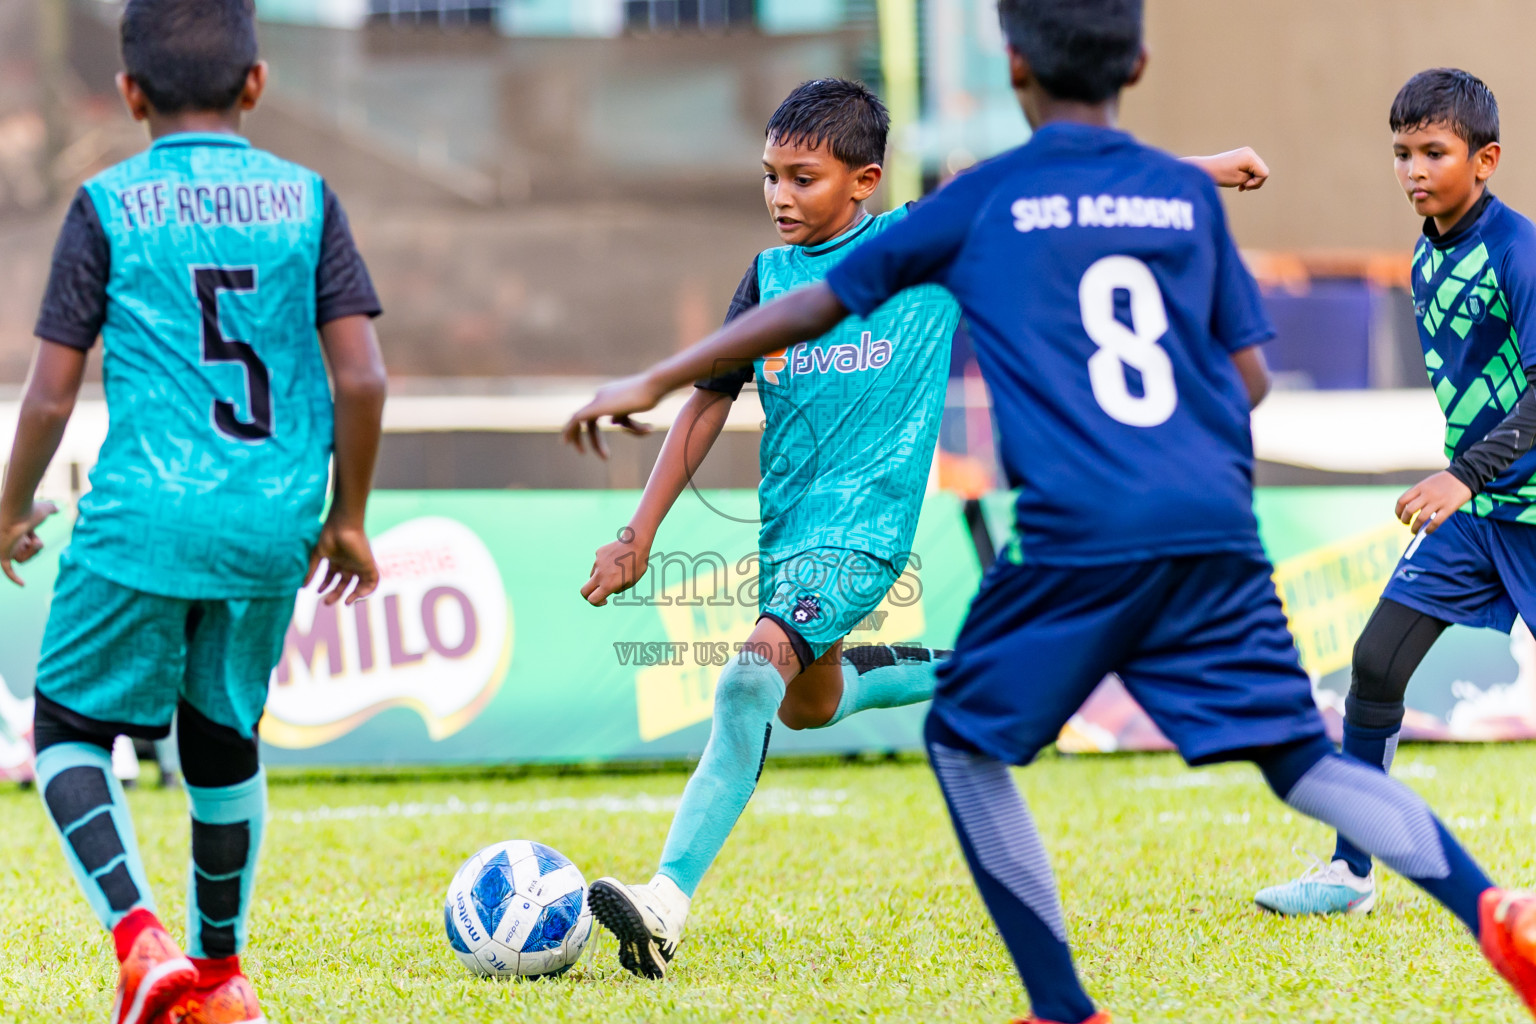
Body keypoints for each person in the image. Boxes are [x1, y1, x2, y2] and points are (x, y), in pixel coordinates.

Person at [561, 2, 1536, 1020]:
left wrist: (648, 377)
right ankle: (1497, 912)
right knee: (1295, 752)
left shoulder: (988, 199)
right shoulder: (1171, 199)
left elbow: (818, 301)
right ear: (1141, 61)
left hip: (1076, 529)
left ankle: (1059, 1006)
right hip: (1207, 523)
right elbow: (1248, 380)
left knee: (965, 744)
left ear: (1015, 66)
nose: (780, 195)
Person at [572, 76, 1270, 983]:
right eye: (770, 177)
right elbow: (708, 403)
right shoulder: (769, 275)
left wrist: (1205, 169)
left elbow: (1056, 197)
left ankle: (664, 904)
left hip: (868, 528)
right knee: (805, 703)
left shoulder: (923, 242)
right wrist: (640, 533)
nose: (781, 196)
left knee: (748, 681)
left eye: (804, 178)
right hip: (788, 529)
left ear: (864, 181)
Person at [0, 2, 387, 1022]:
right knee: (222, 738)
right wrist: (348, 515)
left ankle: (141, 943)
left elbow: (48, 394)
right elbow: (363, 379)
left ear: (130, 95)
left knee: (67, 732)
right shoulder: (309, 200)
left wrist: (5, 511)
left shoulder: (107, 204)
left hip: (144, 514)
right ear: (257, 83)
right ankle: (220, 978)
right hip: (274, 523)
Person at [1256, 70, 1536, 916]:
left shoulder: (1518, 251)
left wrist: (1466, 471)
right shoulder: (1424, 251)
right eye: (1402, 152)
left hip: (1517, 506)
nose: (1414, 168)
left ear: (1485, 159)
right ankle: (1351, 871)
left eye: (1434, 153)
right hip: (1477, 515)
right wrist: (1466, 480)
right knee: (1375, 663)